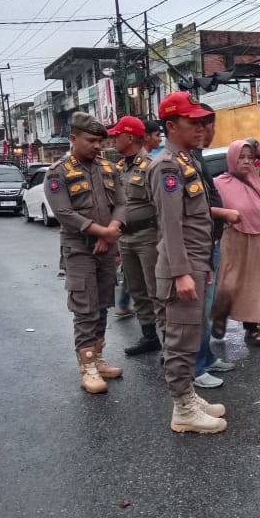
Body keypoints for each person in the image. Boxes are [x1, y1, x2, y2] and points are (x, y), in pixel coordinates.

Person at [146, 91, 229, 433]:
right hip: (181, 265)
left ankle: (188, 395)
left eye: (200, 121)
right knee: (181, 340)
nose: (200, 127)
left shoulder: (186, 160)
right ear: (171, 125)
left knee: (191, 335)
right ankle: (182, 409)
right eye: (191, 122)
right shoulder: (166, 165)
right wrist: (182, 273)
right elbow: (170, 223)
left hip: (196, 260)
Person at [46, 112, 126, 394]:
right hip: (78, 249)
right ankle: (87, 366)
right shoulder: (58, 172)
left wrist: (112, 228)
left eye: (100, 142)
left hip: (106, 246)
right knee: (85, 307)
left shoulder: (108, 167)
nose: (97, 146)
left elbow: (121, 203)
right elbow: (64, 213)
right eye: (91, 140)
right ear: (73, 138)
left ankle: (99, 356)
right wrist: (100, 232)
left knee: (103, 302)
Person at [211, 140, 260, 346]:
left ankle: (251, 328)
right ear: (232, 158)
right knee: (228, 282)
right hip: (232, 238)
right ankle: (220, 316)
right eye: (241, 157)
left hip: (258, 241)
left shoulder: (256, 181)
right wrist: (224, 214)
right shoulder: (218, 183)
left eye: (250, 158)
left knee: (256, 285)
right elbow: (205, 209)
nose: (247, 162)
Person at [190, 105, 236, 388]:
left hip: (210, 241)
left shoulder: (196, 158)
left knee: (205, 308)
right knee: (196, 312)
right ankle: (195, 368)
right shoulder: (179, 163)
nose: (210, 132)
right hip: (197, 246)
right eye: (208, 125)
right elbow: (190, 210)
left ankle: (205, 358)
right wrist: (224, 214)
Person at [111, 115, 162, 355]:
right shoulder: (119, 168)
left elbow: (162, 206)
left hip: (148, 236)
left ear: (129, 137)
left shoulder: (151, 165)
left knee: (156, 290)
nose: (113, 139)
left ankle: (170, 344)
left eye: (117, 135)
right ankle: (149, 336)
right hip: (126, 238)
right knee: (137, 289)